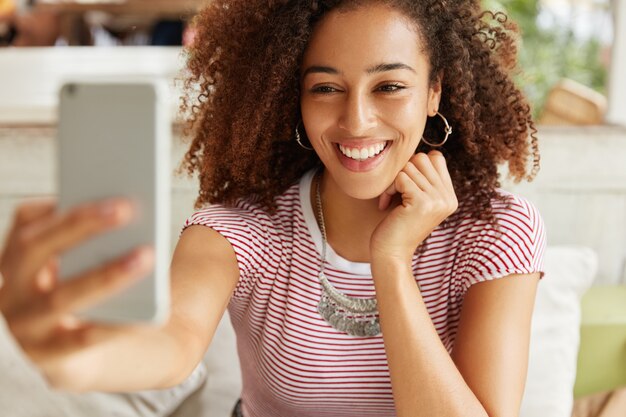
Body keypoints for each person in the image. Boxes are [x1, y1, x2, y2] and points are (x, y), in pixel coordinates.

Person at [0, 0, 546, 416]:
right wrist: (71, 357)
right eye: (326, 88)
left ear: (434, 93)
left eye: (389, 86)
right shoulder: (242, 229)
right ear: (294, 98)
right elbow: (173, 343)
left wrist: (392, 260)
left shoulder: (495, 233)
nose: (356, 121)